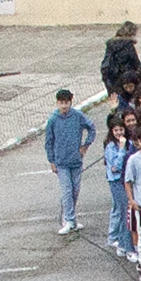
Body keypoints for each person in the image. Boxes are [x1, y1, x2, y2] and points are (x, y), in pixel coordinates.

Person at [42, 89, 95, 235]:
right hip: (61, 161)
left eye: (67, 103)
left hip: (76, 161)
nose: (64, 106)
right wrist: (51, 160)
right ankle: (69, 219)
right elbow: (49, 141)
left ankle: (70, 218)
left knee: (75, 190)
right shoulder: (53, 119)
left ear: (71, 102)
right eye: (61, 103)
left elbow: (91, 128)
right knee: (66, 190)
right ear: (57, 103)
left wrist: (85, 145)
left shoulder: (77, 116)